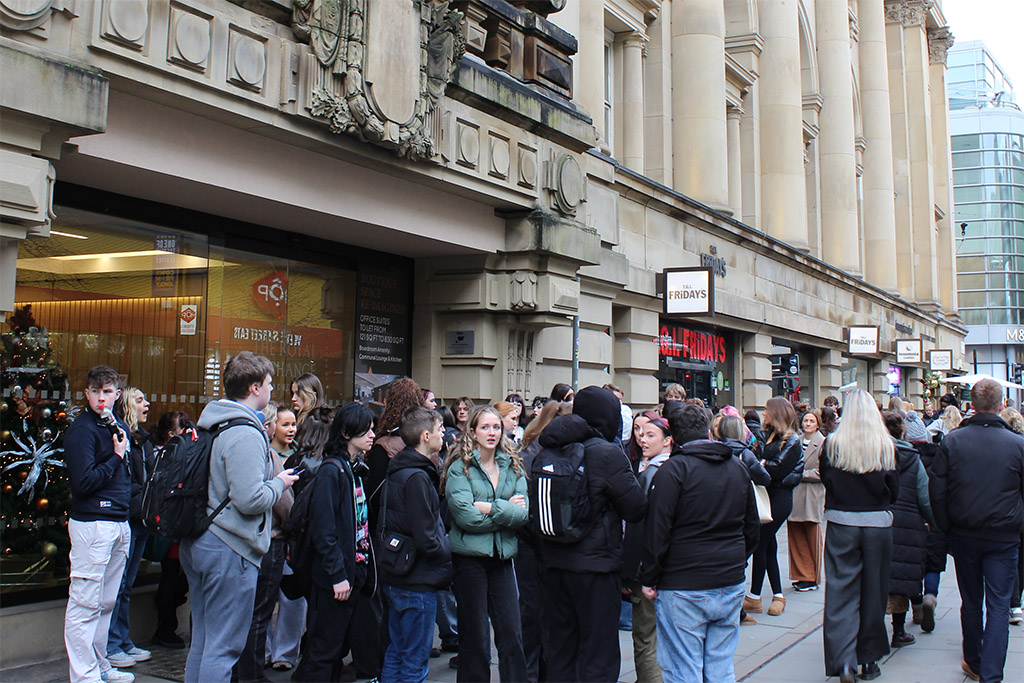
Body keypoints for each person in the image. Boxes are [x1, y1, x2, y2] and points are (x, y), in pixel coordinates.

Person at [181, 352, 298, 683]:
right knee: (224, 648)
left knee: (204, 643)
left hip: (202, 541)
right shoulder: (245, 432)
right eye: (270, 384)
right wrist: (280, 483)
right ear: (255, 387)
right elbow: (249, 499)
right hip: (229, 548)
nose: (274, 390)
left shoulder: (214, 421)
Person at [639, 402, 759, 683]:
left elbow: (657, 531)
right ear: (708, 430)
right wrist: (738, 560)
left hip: (684, 583)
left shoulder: (672, 472)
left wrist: (649, 577)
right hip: (727, 579)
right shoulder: (736, 468)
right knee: (720, 667)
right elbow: (752, 527)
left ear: (674, 437)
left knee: (683, 670)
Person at [533, 386, 646, 682]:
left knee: (560, 649)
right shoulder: (608, 453)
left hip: (553, 565)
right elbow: (635, 508)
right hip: (596, 568)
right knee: (598, 653)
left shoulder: (548, 448)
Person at [930, 378, 1024, 682]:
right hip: (1003, 535)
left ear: (971, 405)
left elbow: (937, 490)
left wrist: (946, 526)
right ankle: (991, 673)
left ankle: (974, 659)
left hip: (964, 532)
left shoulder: (954, 441)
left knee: (971, 600)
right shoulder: (1017, 444)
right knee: (998, 604)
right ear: (1001, 406)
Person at [442, 405, 529, 682]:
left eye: (496, 427)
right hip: (469, 562)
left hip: (502, 559)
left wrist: (490, 508)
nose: (492, 433)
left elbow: (523, 514)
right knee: (476, 638)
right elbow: (466, 517)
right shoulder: (460, 468)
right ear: (473, 431)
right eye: (485, 427)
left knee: (512, 635)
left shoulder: (511, 463)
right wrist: (505, 511)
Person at [820, 389, 898, 683]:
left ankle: (843, 660)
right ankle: (869, 660)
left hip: (842, 522)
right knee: (873, 593)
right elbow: (895, 491)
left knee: (841, 592)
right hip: (877, 524)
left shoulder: (833, 445)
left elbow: (827, 479)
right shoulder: (885, 446)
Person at [293, 403, 375, 682]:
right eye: (366, 429)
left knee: (337, 648)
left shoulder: (353, 469)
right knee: (324, 649)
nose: (372, 435)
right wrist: (338, 575)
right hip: (335, 578)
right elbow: (324, 530)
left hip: (354, 572)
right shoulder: (332, 471)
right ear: (346, 432)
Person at [64, 366, 134, 683]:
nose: (101, 398)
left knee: (105, 602)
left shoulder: (116, 426)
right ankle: (84, 675)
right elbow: (83, 483)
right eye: (96, 391)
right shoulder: (83, 431)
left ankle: (100, 665)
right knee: (85, 603)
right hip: (93, 523)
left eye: (107, 392)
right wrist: (116, 457)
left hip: (118, 521)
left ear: (117, 394)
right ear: (87, 394)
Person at [379, 407, 453, 683]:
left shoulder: (399, 470)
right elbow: (427, 535)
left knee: (397, 652)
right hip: (417, 579)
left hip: (398, 573)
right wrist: (445, 553)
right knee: (414, 659)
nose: (443, 433)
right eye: (439, 429)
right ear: (425, 436)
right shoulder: (418, 477)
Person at [236, 404, 297, 683]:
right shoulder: (268, 456)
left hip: (237, 543)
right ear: (269, 427)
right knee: (259, 614)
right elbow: (284, 505)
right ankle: (252, 673)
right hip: (267, 540)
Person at [515, 400, 570, 682]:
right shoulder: (538, 455)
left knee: (534, 615)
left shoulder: (528, 451)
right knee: (537, 616)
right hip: (537, 545)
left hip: (533, 544)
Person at [622, 414, 673, 683]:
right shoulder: (677, 470)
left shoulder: (651, 474)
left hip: (648, 570)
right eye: (640, 433)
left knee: (645, 636)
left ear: (668, 441)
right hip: (675, 569)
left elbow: (638, 529)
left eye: (651, 434)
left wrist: (629, 572)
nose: (643, 438)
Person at [106, 386, 153, 670]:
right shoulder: (122, 438)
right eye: (139, 400)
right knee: (119, 583)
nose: (146, 403)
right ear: (126, 406)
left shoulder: (142, 440)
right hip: (128, 517)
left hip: (141, 517)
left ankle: (122, 639)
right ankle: (113, 643)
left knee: (127, 584)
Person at [880, 411, 935, 650]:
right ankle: (899, 631)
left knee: (878, 577)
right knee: (901, 576)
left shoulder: (876, 454)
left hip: (879, 519)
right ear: (903, 432)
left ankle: (873, 631)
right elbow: (925, 497)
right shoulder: (914, 459)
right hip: (908, 525)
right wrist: (933, 522)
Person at [745, 397, 803, 617]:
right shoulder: (768, 436)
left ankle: (755, 596)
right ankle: (776, 595)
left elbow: (776, 469)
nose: (764, 414)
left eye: (767, 410)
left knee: (760, 542)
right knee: (768, 545)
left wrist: (761, 465)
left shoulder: (793, 440)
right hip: (766, 495)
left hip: (779, 497)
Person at [150, 411, 195, 650]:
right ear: (170, 434)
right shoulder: (165, 455)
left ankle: (167, 615)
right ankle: (165, 626)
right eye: (183, 429)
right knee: (171, 575)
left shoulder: (179, 453)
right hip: (168, 524)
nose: (188, 434)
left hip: (177, 523)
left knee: (179, 577)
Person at [788, 409, 826, 592]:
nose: (807, 423)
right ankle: (801, 574)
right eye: (805, 420)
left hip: (812, 494)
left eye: (811, 421)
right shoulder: (796, 440)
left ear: (817, 423)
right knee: (795, 535)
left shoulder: (823, 443)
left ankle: (812, 577)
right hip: (795, 494)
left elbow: (823, 472)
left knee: (812, 535)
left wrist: (801, 474)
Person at [999, 408, 1024, 626]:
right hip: (1017, 512)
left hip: (1009, 514)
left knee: (1013, 559)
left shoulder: (1006, 445)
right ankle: (1016, 603)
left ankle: (1014, 603)